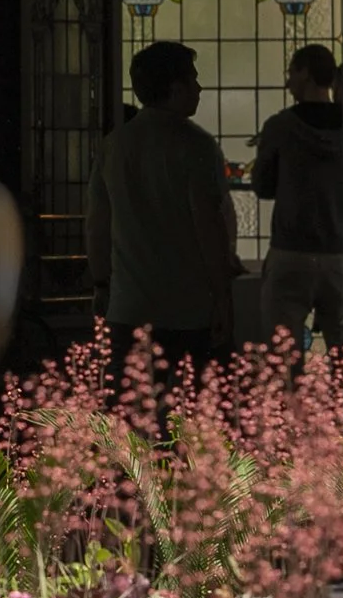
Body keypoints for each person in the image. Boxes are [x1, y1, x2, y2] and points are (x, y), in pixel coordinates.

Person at [85, 37, 237, 386]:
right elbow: (209, 228)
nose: (200, 88)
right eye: (193, 79)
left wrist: (101, 284)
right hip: (188, 310)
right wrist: (223, 298)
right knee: (186, 417)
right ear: (175, 88)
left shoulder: (114, 146)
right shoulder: (195, 145)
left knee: (130, 415)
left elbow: (97, 223)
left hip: (128, 307)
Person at [252, 43, 343, 351]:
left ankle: (292, 402)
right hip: (342, 253)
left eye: (291, 72)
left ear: (306, 73)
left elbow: (263, 188)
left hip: (291, 252)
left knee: (284, 360)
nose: (287, 81)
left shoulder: (280, 127)